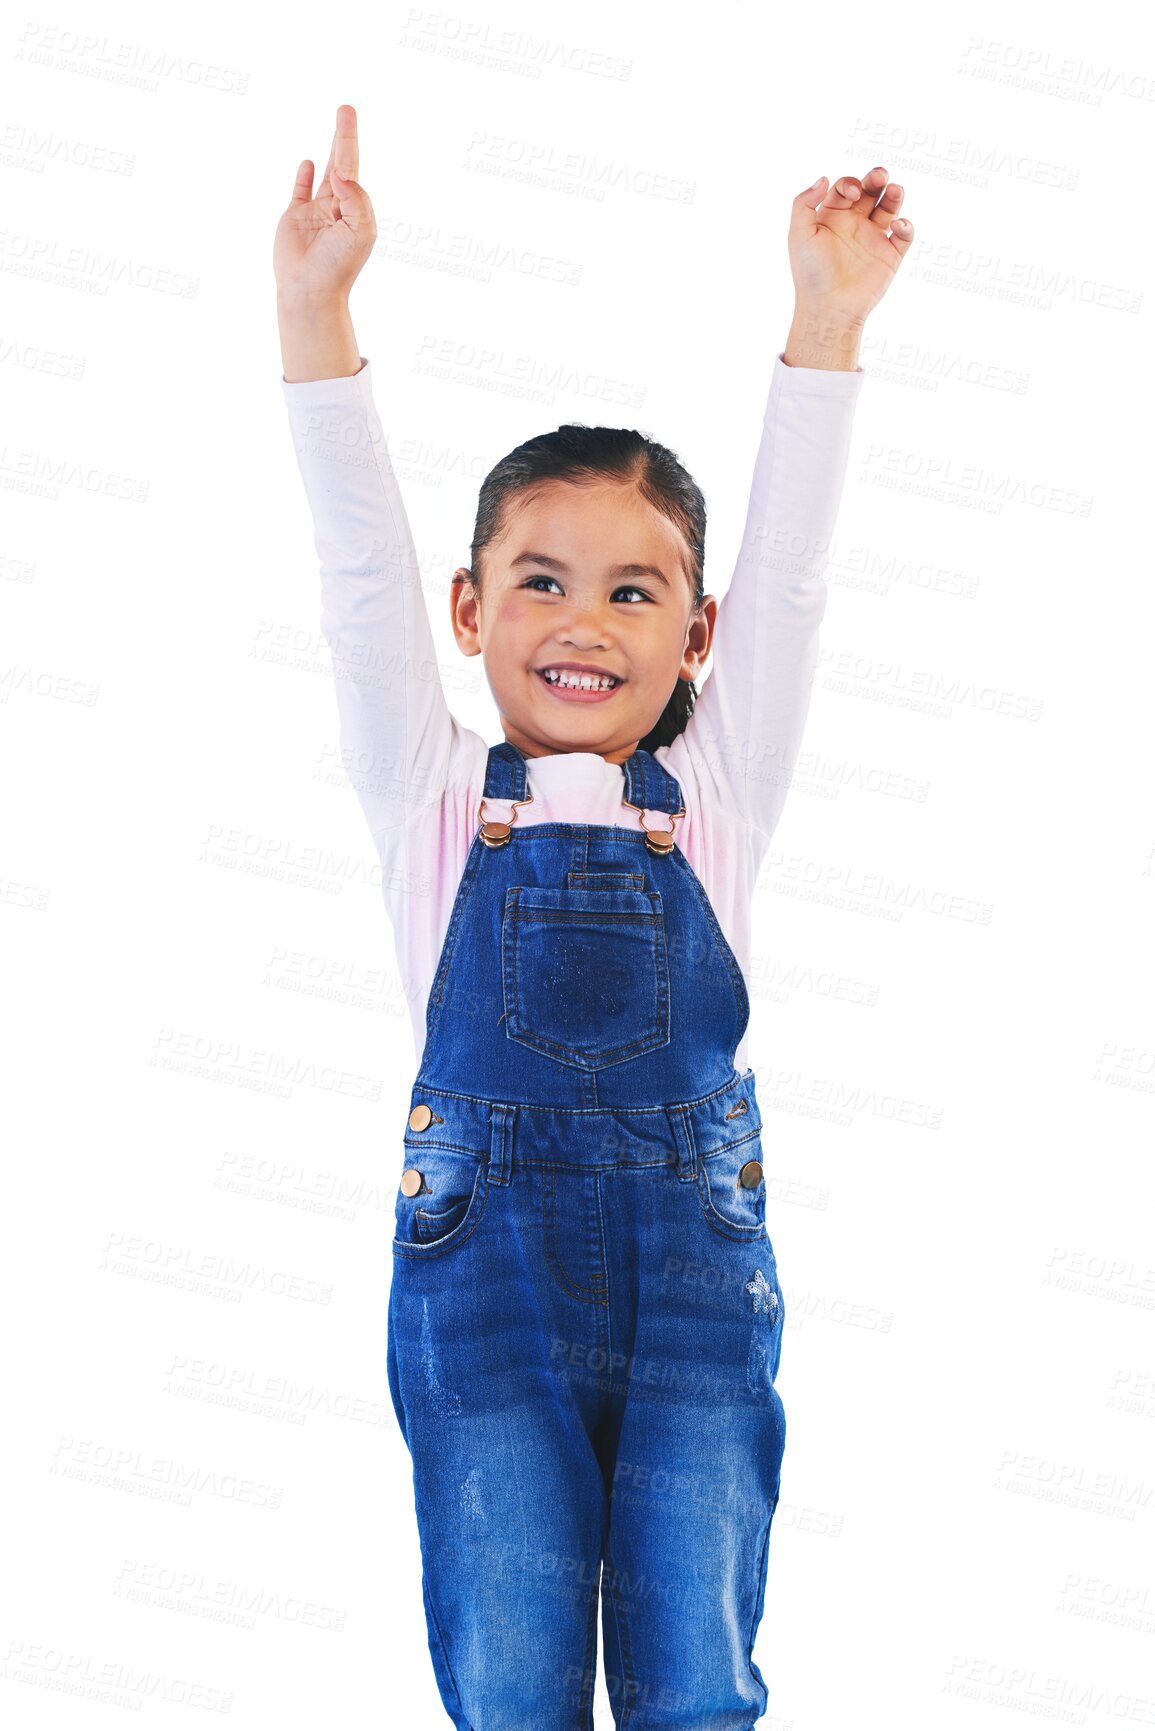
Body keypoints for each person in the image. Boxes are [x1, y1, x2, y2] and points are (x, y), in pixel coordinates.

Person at [274, 104, 912, 1731]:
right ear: (474, 610)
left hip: (699, 1274)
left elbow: (796, 581)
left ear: (693, 635)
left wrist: (825, 324)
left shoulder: (722, 790)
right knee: (509, 1669)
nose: (586, 622)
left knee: (698, 1678)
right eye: (543, 580)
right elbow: (356, 580)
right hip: (479, 1273)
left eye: (637, 593)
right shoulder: (431, 793)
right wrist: (316, 318)